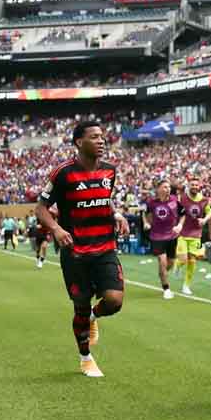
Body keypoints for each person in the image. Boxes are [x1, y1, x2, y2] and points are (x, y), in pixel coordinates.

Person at [35, 121, 130, 377]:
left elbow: (104, 199)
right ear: (79, 142)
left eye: (102, 136)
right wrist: (55, 229)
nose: (101, 141)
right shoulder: (62, 173)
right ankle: (86, 357)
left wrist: (117, 214)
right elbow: (41, 208)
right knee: (79, 305)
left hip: (105, 248)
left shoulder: (110, 171)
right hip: (76, 253)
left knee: (114, 301)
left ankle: (93, 316)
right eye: (95, 137)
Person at [174, 177, 211, 295]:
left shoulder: (204, 200)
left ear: (199, 186)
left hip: (196, 234)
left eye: (197, 185)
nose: (195, 187)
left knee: (192, 260)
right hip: (183, 233)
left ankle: (186, 285)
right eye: (192, 185)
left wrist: (205, 220)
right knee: (183, 259)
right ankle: (177, 266)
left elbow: (210, 212)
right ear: (189, 186)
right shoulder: (182, 198)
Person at [144, 180, 181, 300]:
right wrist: (147, 224)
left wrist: (179, 225)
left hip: (172, 236)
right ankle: (166, 289)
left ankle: (162, 274)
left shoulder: (175, 200)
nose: (168, 189)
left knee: (170, 263)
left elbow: (184, 214)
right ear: (158, 189)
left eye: (169, 187)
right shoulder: (151, 203)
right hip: (157, 236)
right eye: (165, 187)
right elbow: (146, 215)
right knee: (162, 261)